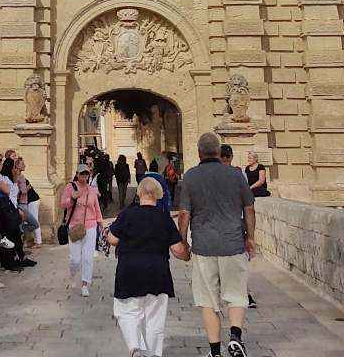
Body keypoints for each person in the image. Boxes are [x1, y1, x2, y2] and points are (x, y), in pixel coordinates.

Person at [178, 131, 256, 357]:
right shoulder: (235, 175)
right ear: (219, 151)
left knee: (208, 300)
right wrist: (250, 238)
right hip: (233, 244)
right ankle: (235, 337)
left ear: (199, 153)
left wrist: (183, 242)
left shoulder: (191, 177)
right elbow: (249, 209)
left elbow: (184, 213)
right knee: (237, 294)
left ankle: (215, 351)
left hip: (204, 247)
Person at [106, 176, 192, 357]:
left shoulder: (127, 215)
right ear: (159, 195)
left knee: (127, 311)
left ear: (139, 193)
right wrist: (187, 253)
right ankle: (153, 353)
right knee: (155, 319)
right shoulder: (164, 219)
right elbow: (177, 250)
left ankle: (135, 347)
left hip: (129, 270)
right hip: (157, 272)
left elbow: (112, 239)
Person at [219, 145, 258, 310]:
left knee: (218, 259)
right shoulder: (240, 174)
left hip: (218, 224)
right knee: (238, 260)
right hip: (237, 222)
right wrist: (251, 236)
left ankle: (224, 292)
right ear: (231, 157)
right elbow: (248, 205)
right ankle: (243, 294)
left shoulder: (210, 175)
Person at [59, 163, 103, 296]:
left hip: (90, 226)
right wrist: (73, 197)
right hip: (75, 226)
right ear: (77, 174)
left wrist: (100, 223)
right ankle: (73, 274)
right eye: (82, 173)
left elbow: (96, 208)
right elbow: (63, 204)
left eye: (86, 173)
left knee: (88, 257)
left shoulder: (91, 190)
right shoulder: (70, 187)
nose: (84, 176)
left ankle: (85, 284)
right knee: (75, 259)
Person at [15, 156, 43, 247]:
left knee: (34, 221)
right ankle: (31, 240)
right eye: (22, 164)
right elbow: (22, 191)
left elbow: (21, 191)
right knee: (30, 222)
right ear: (17, 166)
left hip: (32, 200)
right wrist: (28, 187)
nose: (24, 165)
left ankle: (38, 242)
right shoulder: (19, 177)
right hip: (28, 201)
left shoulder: (20, 177)